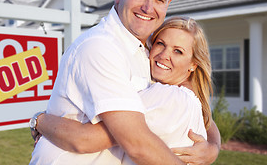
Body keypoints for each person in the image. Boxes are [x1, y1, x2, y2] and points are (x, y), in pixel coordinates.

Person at [29, 0, 220, 165]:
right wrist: (40, 121)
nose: (148, 8)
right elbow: (134, 143)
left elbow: (193, 109)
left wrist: (213, 147)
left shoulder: (146, 53)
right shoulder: (100, 47)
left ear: (169, 2)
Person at [31, 17, 214, 165]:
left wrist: (40, 120)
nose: (164, 55)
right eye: (160, 44)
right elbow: (211, 126)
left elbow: (84, 139)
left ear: (193, 64)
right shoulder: (190, 101)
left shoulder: (169, 97)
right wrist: (214, 147)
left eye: (178, 51)